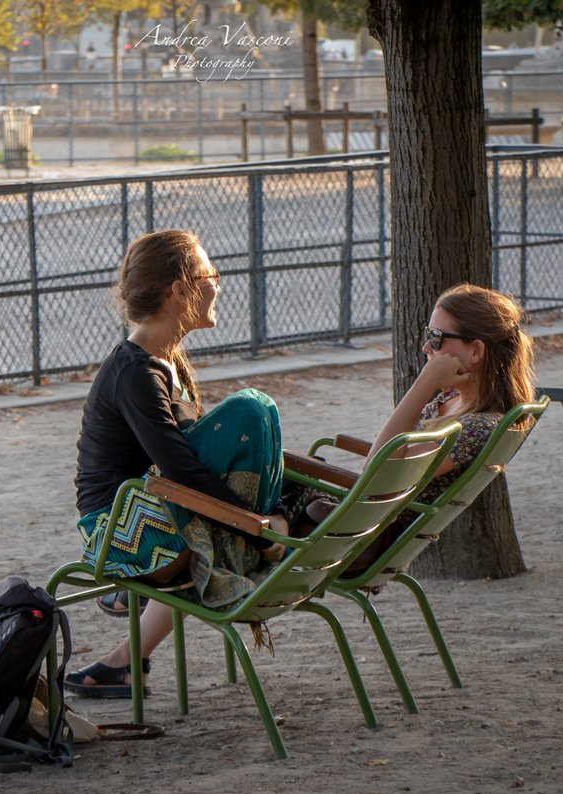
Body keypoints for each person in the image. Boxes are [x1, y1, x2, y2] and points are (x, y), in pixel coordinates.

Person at [65, 229, 288, 698]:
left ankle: (124, 664)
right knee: (251, 409)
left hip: (156, 505)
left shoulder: (165, 362)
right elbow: (183, 470)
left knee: (257, 416)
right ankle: (273, 534)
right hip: (122, 528)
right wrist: (257, 528)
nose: (219, 285)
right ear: (180, 289)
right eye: (211, 274)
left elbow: (186, 465)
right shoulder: (136, 373)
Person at [287, 283, 537, 579]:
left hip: (347, 541)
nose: (426, 348)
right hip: (346, 525)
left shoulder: (473, 428)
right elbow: (384, 465)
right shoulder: (450, 403)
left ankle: (274, 529)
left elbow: (377, 474)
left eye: (437, 337)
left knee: (255, 414)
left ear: (476, 350)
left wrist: (423, 384)